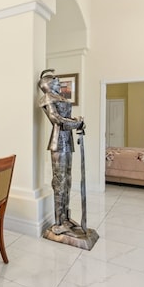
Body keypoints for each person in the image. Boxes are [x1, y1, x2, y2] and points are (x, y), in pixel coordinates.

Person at [38, 69, 85, 235]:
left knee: (68, 179)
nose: (59, 84)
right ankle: (58, 221)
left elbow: (65, 119)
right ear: (49, 84)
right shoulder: (47, 97)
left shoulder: (60, 97)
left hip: (67, 140)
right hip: (58, 141)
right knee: (59, 180)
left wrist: (77, 122)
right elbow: (56, 119)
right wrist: (75, 124)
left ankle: (65, 217)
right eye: (56, 82)